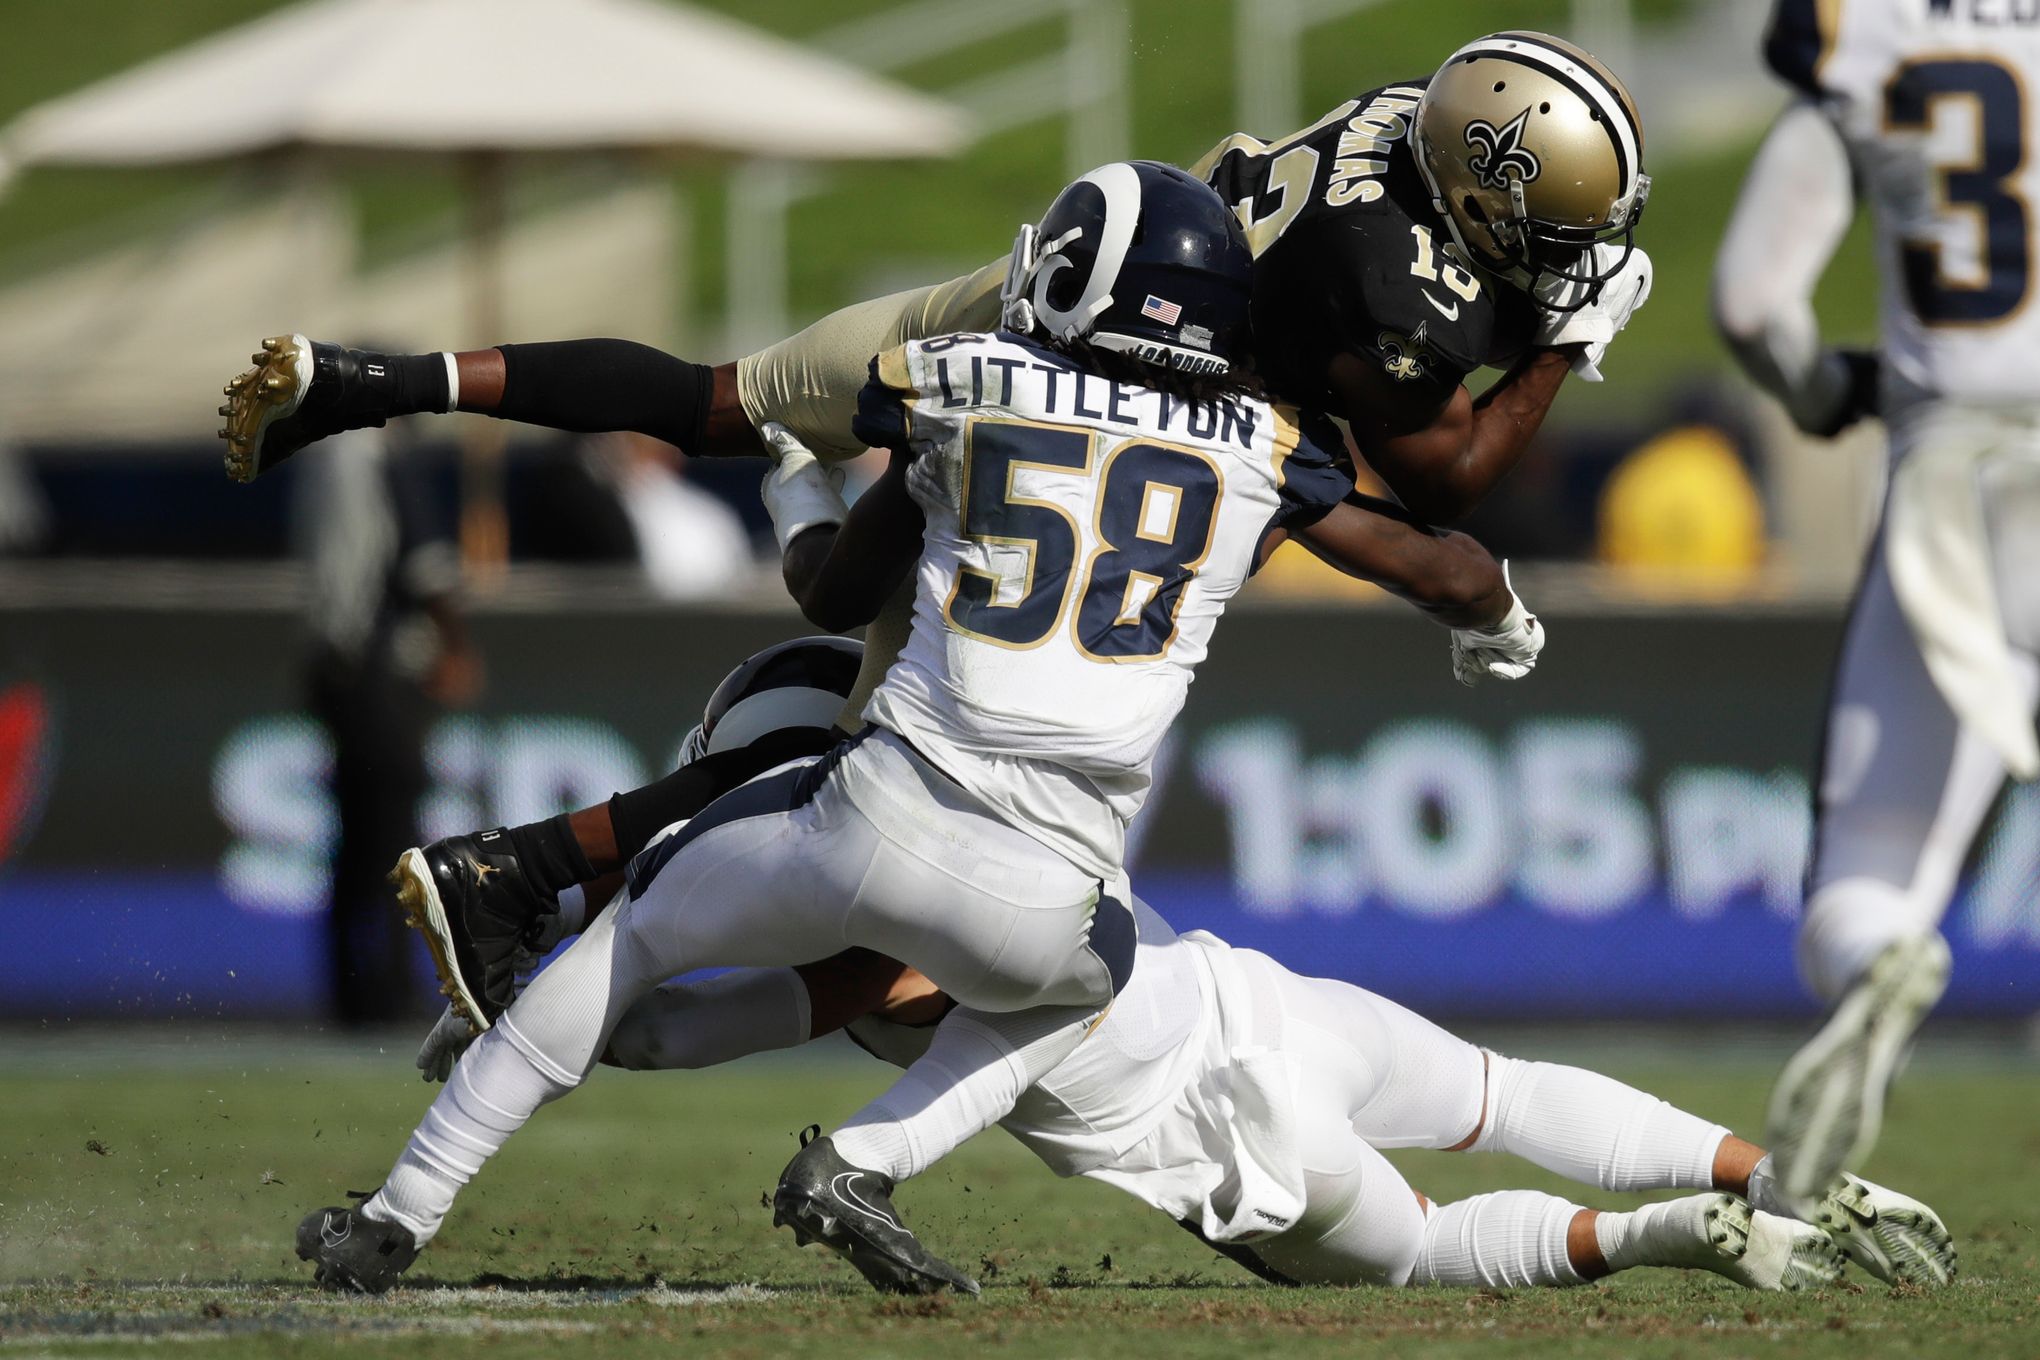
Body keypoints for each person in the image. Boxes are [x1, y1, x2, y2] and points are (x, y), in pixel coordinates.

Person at [291, 161, 1543, 1293]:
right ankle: (866, 1160)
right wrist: (1498, 605)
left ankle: (400, 1208)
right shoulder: (1268, 450)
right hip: (1047, 890)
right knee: (1093, 986)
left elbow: (833, 594)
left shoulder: (956, 382)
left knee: (624, 947)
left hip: (877, 800)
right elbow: (1442, 564)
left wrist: (794, 497)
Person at [384, 637, 1954, 1300]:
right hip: (1263, 998)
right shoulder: (990, 807)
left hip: (1208, 1131)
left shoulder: (858, 944)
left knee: (1424, 1255)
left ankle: (1691, 1235)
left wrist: (533, 1024)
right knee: (1505, 1092)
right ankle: (1778, 1174)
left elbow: (688, 1033)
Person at [218, 27, 1650, 739]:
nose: (1578, 255)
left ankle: (369, 382)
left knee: (723, 402)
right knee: (896, 720)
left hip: (1050, 288)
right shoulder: (1395, 287)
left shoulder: (1414, 120)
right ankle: (564, 879)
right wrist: (1574, 343)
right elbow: (1453, 474)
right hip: (1154, 411)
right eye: (1566, 231)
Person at [1712, 0, 2040, 1209]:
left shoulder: (1869, 33)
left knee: (1868, 876)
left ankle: (1887, 956)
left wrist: (1822, 391)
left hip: (1962, 475)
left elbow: (1752, 305)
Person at [291, 424, 480, 1026]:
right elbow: (428, 570)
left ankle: (351, 989)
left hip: (335, 666)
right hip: (379, 671)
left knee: (353, 840)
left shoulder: (322, 458)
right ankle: (391, 989)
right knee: (396, 839)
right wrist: (454, 645)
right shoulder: (383, 460)